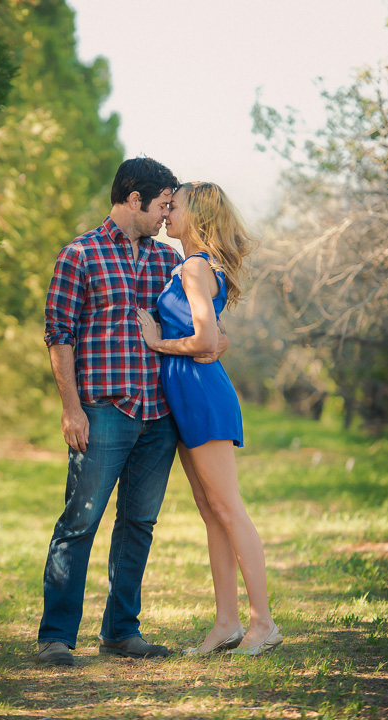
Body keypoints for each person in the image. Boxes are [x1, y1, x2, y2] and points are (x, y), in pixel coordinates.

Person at [37, 159, 228, 667]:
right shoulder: (80, 255)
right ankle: (56, 636)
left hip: (158, 414)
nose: (168, 214)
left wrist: (217, 340)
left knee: (139, 523)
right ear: (135, 200)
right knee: (80, 522)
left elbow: (199, 321)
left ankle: (121, 631)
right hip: (103, 411)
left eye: (173, 205)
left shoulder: (169, 260)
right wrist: (71, 409)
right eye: (163, 203)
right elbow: (59, 335)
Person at [137, 182, 282, 657]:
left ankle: (263, 623)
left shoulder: (195, 266)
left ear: (195, 215)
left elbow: (202, 340)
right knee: (210, 510)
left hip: (200, 395)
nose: (166, 214)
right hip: (186, 392)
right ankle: (226, 623)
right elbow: (215, 337)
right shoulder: (192, 266)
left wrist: (158, 343)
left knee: (228, 508)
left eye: (173, 206)